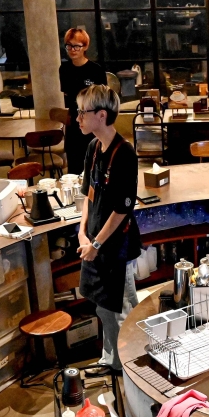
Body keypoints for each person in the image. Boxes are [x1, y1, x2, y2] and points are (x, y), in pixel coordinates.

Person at [75, 84, 141, 370]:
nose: (77, 118)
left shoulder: (125, 153)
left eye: (82, 112)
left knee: (125, 308)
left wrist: (96, 244)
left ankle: (133, 365)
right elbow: (89, 193)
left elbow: (121, 210)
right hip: (93, 241)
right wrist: (82, 229)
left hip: (115, 245)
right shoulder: (92, 147)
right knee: (102, 306)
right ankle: (111, 358)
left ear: (101, 115)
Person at [59, 28, 107, 174]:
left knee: (94, 164)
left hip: (93, 122)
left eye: (77, 46)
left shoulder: (96, 70)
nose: (72, 50)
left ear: (85, 47)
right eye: (69, 45)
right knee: (74, 166)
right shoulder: (64, 69)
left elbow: (103, 99)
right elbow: (67, 95)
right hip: (75, 122)